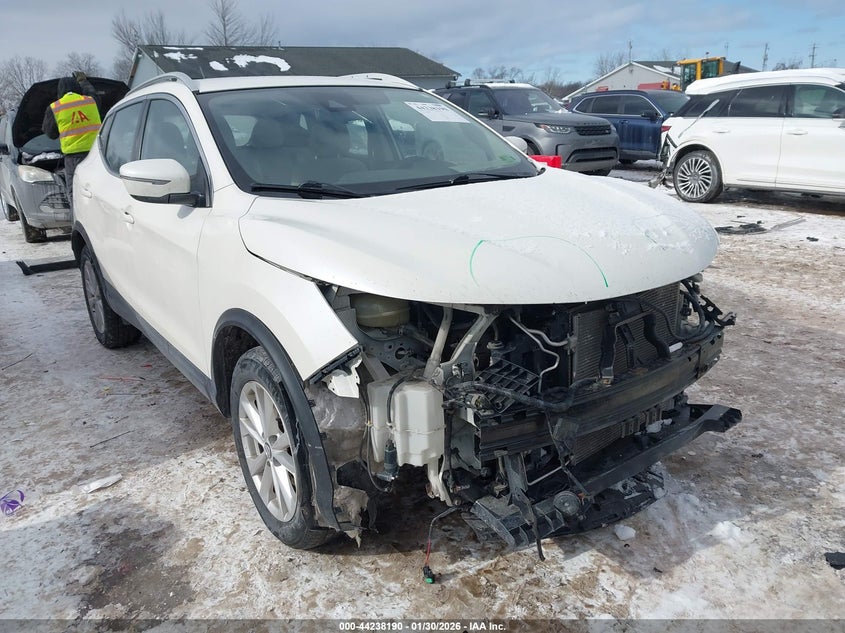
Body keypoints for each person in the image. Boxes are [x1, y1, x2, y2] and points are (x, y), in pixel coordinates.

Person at [42, 71, 101, 214]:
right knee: (100, 190)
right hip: (96, 155)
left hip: (73, 159)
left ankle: (80, 225)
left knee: (75, 194)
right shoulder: (90, 101)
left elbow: (50, 133)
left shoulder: (55, 107)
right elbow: (92, 92)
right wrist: (83, 81)